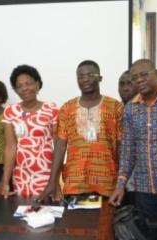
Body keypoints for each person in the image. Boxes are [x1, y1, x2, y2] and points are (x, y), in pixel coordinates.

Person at [40, 60, 123, 240]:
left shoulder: (115, 107)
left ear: (100, 78)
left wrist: (122, 182)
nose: (85, 79)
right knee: (76, 231)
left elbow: (122, 147)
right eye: (80, 76)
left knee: (104, 232)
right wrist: (52, 182)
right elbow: (61, 146)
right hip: (75, 182)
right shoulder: (67, 108)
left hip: (107, 182)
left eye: (90, 75)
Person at [109, 59, 157, 240]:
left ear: (156, 74)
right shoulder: (130, 109)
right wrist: (121, 185)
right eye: (135, 78)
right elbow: (128, 151)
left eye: (144, 75)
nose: (139, 80)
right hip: (144, 189)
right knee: (147, 235)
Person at [0, 64, 58, 198]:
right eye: (19, 86)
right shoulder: (10, 111)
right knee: (23, 213)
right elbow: (10, 147)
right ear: (15, 90)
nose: (24, 88)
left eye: (28, 83)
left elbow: (57, 145)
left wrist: (56, 180)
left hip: (48, 173)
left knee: (49, 214)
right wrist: (5, 181)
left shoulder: (51, 109)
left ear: (37, 84)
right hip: (22, 176)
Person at [118, 70, 138, 205]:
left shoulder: (145, 111)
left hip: (139, 182)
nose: (125, 88)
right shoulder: (116, 110)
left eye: (129, 84)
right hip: (118, 181)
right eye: (121, 84)